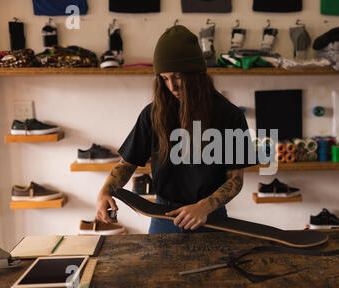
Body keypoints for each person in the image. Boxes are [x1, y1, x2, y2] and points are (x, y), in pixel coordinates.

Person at [96, 25, 255, 233]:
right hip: (163, 217)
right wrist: (105, 192)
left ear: (197, 75)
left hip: (210, 218)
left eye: (178, 77)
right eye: (164, 78)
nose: (172, 87)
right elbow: (127, 164)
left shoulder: (230, 115)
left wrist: (203, 207)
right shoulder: (152, 114)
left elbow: (235, 180)